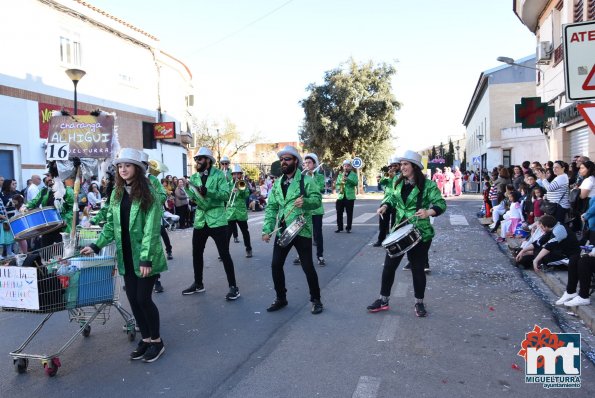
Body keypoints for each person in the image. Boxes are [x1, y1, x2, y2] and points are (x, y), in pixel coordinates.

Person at [80, 148, 167, 362]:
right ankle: (145, 339)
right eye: (120, 166)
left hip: (146, 255)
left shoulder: (149, 192)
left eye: (127, 165)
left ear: (137, 169)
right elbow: (111, 224)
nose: (123, 169)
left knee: (143, 298)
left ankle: (157, 341)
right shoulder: (118, 193)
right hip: (126, 254)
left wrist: (145, 257)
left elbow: (152, 227)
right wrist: (96, 245)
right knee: (133, 300)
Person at [367, 150, 446, 317]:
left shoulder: (428, 185)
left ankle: (419, 302)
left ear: (415, 167)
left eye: (405, 164)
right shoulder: (397, 181)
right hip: (399, 229)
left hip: (420, 232)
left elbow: (440, 204)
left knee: (417, 268)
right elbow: (391, 198)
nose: (401, 167)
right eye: (401, 164)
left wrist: (428, 212)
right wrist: (385, 206)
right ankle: (383, 300)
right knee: (389, 266)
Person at [262, 145, 323, 314]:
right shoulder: (277, 184)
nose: (283, 162)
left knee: (307, 266)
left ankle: (316, 299)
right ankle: (281, 298)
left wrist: (306, 202)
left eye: (287, 159)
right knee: (276, 265)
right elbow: (271, 208)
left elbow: (317, 200)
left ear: (295, 161)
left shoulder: (305, 180)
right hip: (283, 230)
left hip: (300, 228)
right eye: (281, 160)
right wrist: (266, 230)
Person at [182, 147, 240, 300]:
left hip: (217, 220)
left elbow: (226, 195)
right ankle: (198, 284)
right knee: (196, 253)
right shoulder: (194, 177)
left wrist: (208, 191)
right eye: (195, 159)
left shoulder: (219, 175)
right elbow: (194, 198)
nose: (197, 161)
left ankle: (234, 287)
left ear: (208, 160)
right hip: (201, 220)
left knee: (224, 254)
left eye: (199, 159)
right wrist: (188, 190)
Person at [515, 215, 580, 272]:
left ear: (546, 226)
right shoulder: (553, 226)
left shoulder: (559, 230)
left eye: (542, 227)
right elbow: (539, 242)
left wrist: (535, 260)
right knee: (531, 252)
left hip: (568, 256)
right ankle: (528, 261)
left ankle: (537, 263)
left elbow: (548, 247)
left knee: (542, 257)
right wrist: (523, 251)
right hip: (558, 251)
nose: (541, 229)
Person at [25, 175, 74, 247]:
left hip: (62, 227)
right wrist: (26, 206)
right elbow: (35, 201)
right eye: (47, 177)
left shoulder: (67, 191)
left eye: (50, 176)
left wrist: (66, 219)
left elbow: (73, 209)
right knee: (46, 251)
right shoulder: (44, 191)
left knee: (61, 252)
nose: (48, 179)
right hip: (47, 226)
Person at [226, 164, 253, 258]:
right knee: (227, 234)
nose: (236, 176)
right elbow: (225, 196)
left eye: (238, 174)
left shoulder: (243, 183)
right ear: (232, 175)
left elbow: (246, 195)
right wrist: (231, 192)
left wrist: (239, 190)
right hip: (230, 212)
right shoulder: (228, 184)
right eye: (234, 174)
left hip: (240, 212)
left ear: (241, 175)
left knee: (245, 232)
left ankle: (248, 249)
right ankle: (224, 252)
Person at [304, 153, 326, 265]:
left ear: (314, 164)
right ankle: (301, 255)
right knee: (303, 234)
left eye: (309, 162)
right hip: (305, 209)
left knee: (318, 234)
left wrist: (312, 178)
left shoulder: (320, 177)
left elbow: (319, 189)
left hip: (317, 209)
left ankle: (320, 256)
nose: (307, 164)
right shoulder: (302, 176)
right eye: (305, 162)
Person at [373, 156, 400, 247]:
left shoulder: (401, 175)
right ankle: (381, 240)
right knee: (383, 222)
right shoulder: (389, 175)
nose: (392, 168)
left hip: (398, 201)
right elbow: (381, 182)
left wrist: (395, 176)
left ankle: (393, 241)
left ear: (399, 166)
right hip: (387, 200)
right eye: (391, 166)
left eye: (395, 166)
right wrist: (388, 176)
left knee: (395, 223)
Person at [335, 159, 358, 233]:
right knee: (339, 212)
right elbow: (337, 184)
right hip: (341, 196)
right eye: (345, 166)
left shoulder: (354, 175)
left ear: (350, 167)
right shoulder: (340, 175)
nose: (346, 167)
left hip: (349, 196)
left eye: (348, 166)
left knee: (349, 213)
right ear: (343, 167)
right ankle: (340, 227)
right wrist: (338, 188)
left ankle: (348, 228)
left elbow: (355, 183)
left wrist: (347, 179)